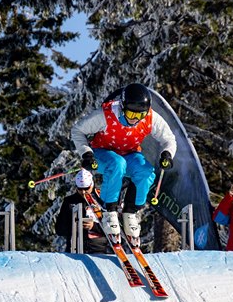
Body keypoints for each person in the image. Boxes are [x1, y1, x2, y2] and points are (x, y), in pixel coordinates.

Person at [71, 83, 177, 247]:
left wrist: (167, 153)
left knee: (146, 172)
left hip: (129, 154)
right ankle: (109, 211)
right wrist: (86, 153)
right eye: (130, 113)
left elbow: (168, 138)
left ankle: (130, 212)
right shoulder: (106, 115)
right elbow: (77, 130)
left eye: (139, 115)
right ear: (122, 106)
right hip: (101, 154)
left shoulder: (150, 117)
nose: (134, 119)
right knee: (117, 164)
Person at [55, 169, 108, 254]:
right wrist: (75, 225)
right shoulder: (69, 201)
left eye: (86, 188)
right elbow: (59, 230)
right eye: (80, 189)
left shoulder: (102, 199)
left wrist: (93, 226)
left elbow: (113, 228)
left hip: (98, 249)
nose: (83, 192)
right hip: (75, 248)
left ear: (92, 185)